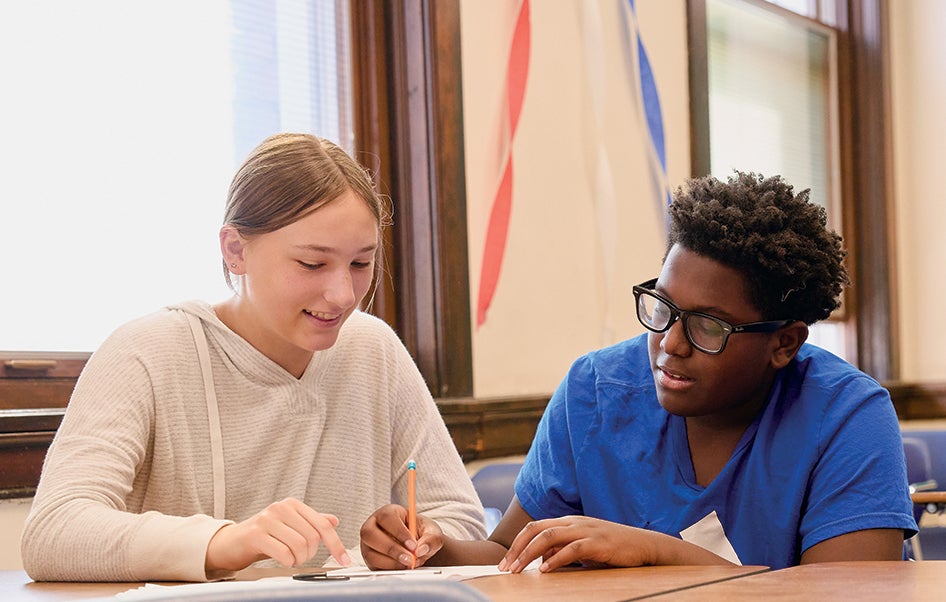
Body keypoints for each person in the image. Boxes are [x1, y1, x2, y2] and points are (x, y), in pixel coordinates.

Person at [360, 171, 917, 572]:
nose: (669, 345)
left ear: (784, 343)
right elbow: (510, 556)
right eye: (663, 308)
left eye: (709, 327)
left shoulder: (847, 417)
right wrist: (429, 550)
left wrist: (657, 550)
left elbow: (847, 592)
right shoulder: (596, 391)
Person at [20, 133, 486, 582]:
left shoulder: (374, 349)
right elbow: (55, 531)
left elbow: (461, 520)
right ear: (235, 250)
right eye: (312, 263)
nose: (344, 294)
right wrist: (225, 542)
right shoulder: (147, 352)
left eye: (361, 263)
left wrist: (421, 542)